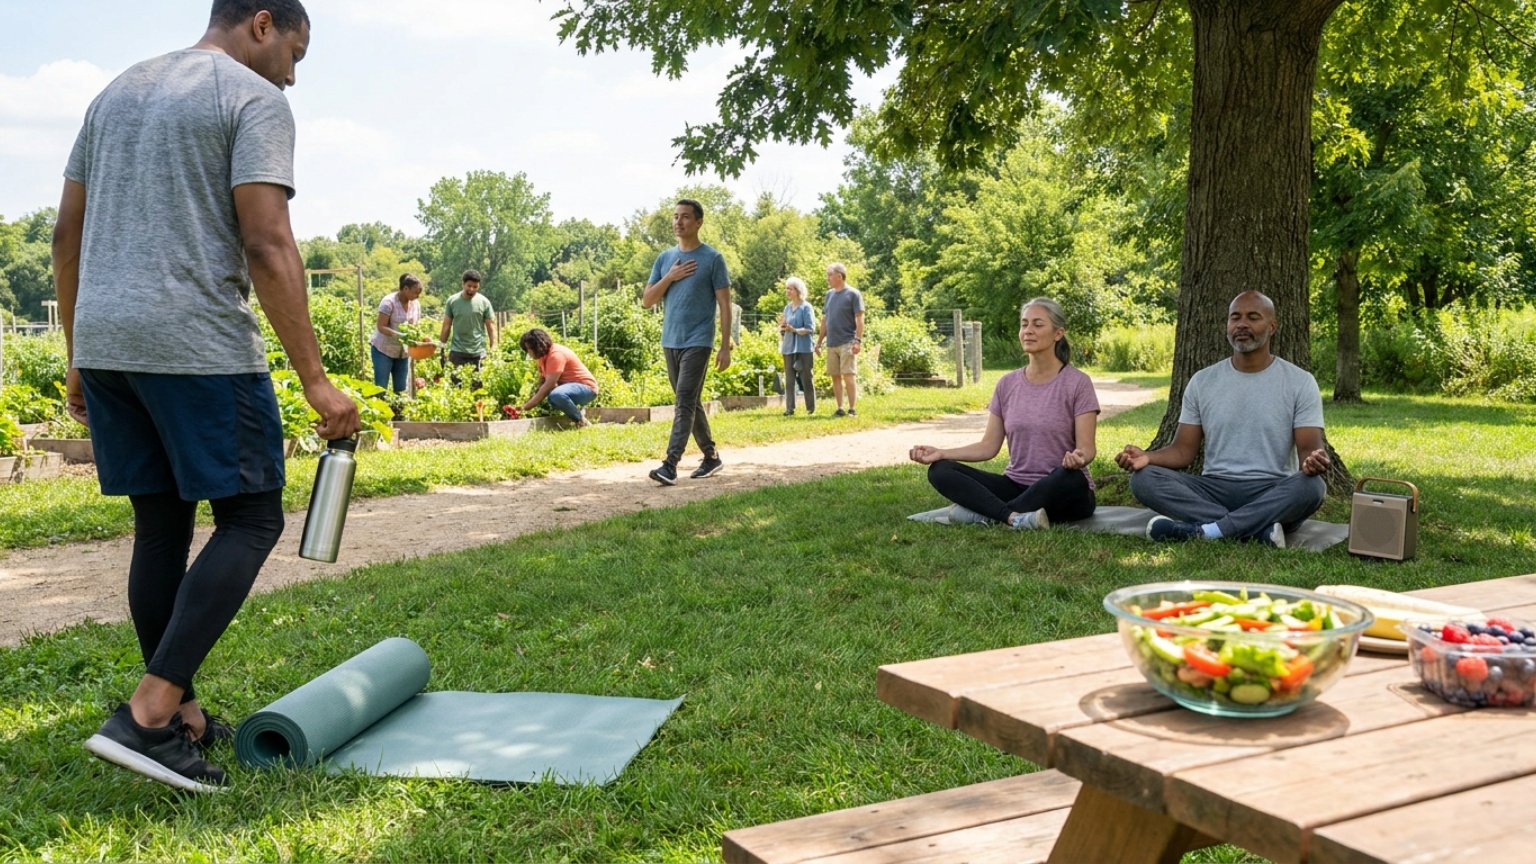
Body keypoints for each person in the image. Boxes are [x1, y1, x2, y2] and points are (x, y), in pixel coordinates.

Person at [52, 0, 360, 793]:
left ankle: (180, 712)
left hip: (109, 344)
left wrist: (78, 350)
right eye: (295, 51)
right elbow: (265, 239)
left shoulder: (116, 91)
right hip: (194, 345)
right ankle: (147, 715)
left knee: (160, 527)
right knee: (253, 514)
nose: (293, 74)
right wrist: (316, 380)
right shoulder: (251, 98)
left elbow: (67, 233)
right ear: (263, 23)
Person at [1114, 290, 1328, 548]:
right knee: (1143, 479)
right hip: (1213, 491)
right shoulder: (1203, 381)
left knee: (1312, 487)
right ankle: (1254, 531)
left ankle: (1209, 531)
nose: (1242, 325)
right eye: (1235, 317)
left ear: (1272, 327)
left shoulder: (1300, 382)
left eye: (1253, 317)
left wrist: (1315, 461)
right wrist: (1148, 457)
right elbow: (1183, 451)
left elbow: (1309, 451)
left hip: (1271, 491)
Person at [908, 298, 1098, 529]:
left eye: (1038, 325)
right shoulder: (1007, 384)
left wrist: (1078, 459)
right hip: (1015, 484)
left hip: (1061, 487)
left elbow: (1087, 448)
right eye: (1024, 324)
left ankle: (989, 514)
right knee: (941, 470)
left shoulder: (1078, 383)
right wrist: (941, 453)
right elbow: (988, 446)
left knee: (1070, 479)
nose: (1028, 331)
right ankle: (1013, 518)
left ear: (1058, 333)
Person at [642, 198, 732, 485]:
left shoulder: (713, 259)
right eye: (675, 216)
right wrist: (670, 276)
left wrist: (725, 345)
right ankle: (711, 456)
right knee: (689, 402)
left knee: (683, 401)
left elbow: (725, 305)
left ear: (698, 222)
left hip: (698, 340)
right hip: (671, 340)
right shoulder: (665, 259)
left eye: (685, 217)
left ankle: (670, 464)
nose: (678, 222)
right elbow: (647, 300)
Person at [516, 328, 598, 426]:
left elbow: (549, 385)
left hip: (586, 389)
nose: (528, 353)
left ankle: (581, 421)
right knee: (554, 399)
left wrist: (526, 407)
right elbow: (542, 383)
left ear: (537, 346)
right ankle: (578, 411)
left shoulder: (556, 355)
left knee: (556, 396)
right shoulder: (543, 357)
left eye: (529, 349)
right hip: (571, 388)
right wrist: (527, 400)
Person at [815, 262, 865, 416]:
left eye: (829, 275)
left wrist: (857, 340)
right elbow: (825, 320)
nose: (827, 278)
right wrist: (819, 342)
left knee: (848, 375)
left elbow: (860, 318)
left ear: (839, 276)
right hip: (832, 343)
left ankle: (852, 409)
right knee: (835, 376)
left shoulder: (853, 294)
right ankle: (840, 408)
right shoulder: (828, 295)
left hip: (847, 341)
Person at [369, 273, 423, 395]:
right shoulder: (388, 302)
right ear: (405, 289)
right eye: (415, 292)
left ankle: (398, 413)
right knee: (381, 389)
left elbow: (416, 326)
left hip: (403, 353)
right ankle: (381, 413)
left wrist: (419, 340)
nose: (417, 296)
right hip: (383, 350)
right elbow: (381, 326)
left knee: (401, 390)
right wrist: (400, 335)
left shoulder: (415, 304)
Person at [439, 268, 497, 378]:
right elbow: (446, 325)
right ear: (463, 284)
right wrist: (441, 346)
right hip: (457, 350)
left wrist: (493, 346)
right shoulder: (452, 301)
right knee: (456, 385)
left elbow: (491, 327)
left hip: (478, 351)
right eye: (469, 286)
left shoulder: (484, 302)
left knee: (478, 386)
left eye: (475, 287)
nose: (471, 289)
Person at [778, 277, 816, 415]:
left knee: (806, 378)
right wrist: (783, 328)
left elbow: (810, 328)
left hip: (803, 347)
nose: (787, 291)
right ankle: (789, 408)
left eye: (790, 289)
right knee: (789, 380)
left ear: (798, 291)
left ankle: (810, 408)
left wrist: (793, 329)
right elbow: (785, 327)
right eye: (786, 288)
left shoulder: (806, 307)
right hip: (788, 347)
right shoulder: (787, 308)